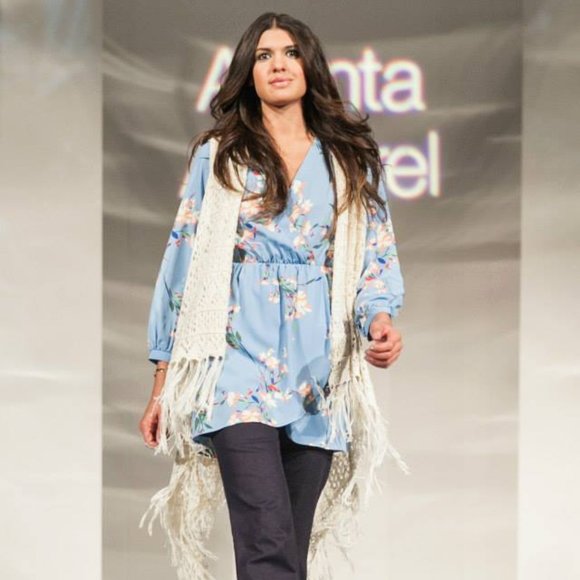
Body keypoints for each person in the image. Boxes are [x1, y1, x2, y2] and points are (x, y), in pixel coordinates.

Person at [139, 11, 406, 580]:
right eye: (264, 55)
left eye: (290, 53)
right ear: (248, 71)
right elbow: (183, 259)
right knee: (266, 541)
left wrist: (379, 319)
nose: (278, 64)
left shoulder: (349, 160)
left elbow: (374, 256)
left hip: (317, 370)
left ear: (310, 67)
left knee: (287, 550)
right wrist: (163, 380)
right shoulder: (221, 155)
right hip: (233, 362)